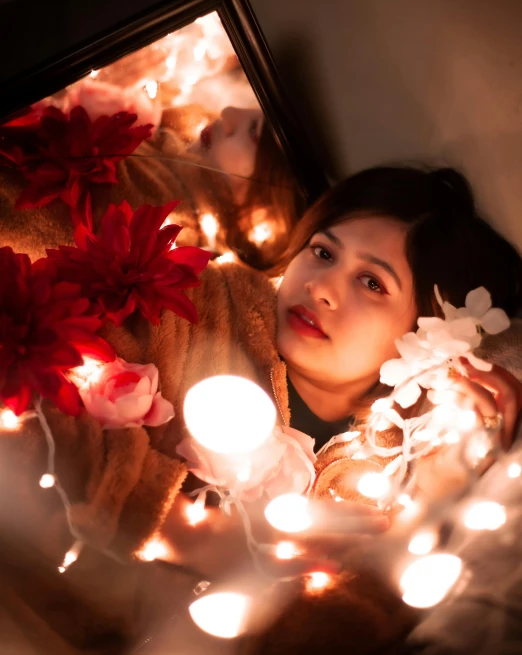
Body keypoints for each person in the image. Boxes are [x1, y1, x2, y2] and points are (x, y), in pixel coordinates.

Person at [1, 158, 522, 655]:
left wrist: (448, 479)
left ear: (428, 335)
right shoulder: (192, 308)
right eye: (323, 252)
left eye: (372, 282)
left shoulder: (395, 467)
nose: (322, 287)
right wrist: (177, 530)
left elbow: (353, 627)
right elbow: (30, 411)